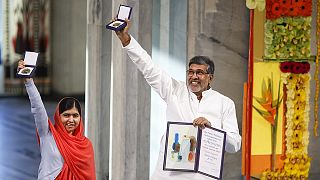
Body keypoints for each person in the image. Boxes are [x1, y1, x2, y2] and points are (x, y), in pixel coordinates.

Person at [114, 20, 241, 179]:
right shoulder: (174, 90)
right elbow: (148, 67)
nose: (194, 77)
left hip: (203, 176)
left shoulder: (225, 103)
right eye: (190, 72)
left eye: (200, 73)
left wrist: (212, 127)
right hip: (169, 174)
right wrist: (126, 39)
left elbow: (234, 145)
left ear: (210, 78)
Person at [17, 60, 96, 180]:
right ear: (58, 117)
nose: (71, 119)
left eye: (75, 115)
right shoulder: (47, 134)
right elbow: (38, 108)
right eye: (66, 115)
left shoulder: (85, 145)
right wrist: (29, 83)